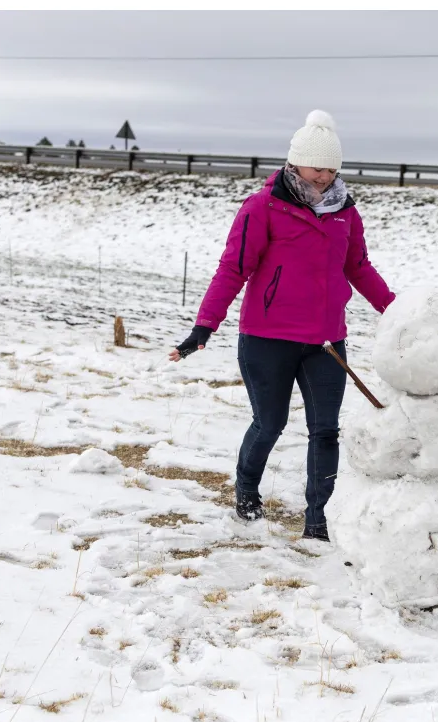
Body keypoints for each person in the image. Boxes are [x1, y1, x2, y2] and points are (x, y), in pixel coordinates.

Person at [169, 110, 396, 542]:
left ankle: (319, 519)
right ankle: (248, 492)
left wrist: (398, 311)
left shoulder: (345, 211)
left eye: (333, 168)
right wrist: (205, 325)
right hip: (266, 339)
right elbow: (233, 268)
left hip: (326, 342)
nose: (326, 176)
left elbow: (360, 268)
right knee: (269, 423)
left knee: (325, 429)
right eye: (318, 167)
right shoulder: (262, 207)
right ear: (295, 163)